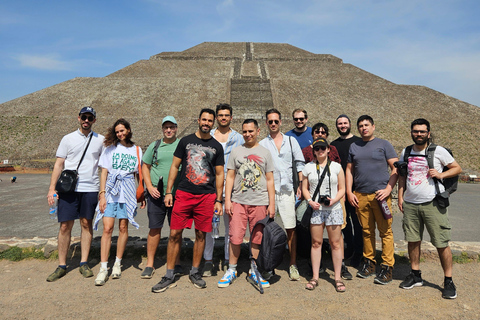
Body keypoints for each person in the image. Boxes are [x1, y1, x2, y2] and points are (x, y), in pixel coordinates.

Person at [152, 108, 224, 293]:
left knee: (201, 235)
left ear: (213, 123)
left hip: (206, 196)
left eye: (210, 121)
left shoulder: (217, 146)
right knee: (175, 233)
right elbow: (175, 166)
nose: (206, 123)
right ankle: (169, 274)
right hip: (184, 193)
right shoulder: (185, 141)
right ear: (198, 120)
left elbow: (219, 174)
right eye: (204, 120)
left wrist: (219, 200)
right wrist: (169, 192)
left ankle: (194, 272)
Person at [397, 118, 461, 299]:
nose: (418, 134)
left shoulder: (437, 151)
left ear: (428, 133)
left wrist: (441, 174)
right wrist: (400, 196)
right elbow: (402, 175)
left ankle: (448, 280)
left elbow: (457, 168)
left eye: (422, 131)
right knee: (413, 240)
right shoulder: (406, 151)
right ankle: (415, 275)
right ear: (411, 132)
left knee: (441, 243)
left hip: (433, 202)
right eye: (415, 131)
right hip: (410, 203)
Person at [46, 106, 104, 282]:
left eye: (90, 118)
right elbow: (59, 164)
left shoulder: (100, 140)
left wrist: (102, 191)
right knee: (65, 226)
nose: (86, 120)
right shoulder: (68, 139)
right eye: (84, 117)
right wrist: (51, 189)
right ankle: (62, 265)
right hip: (69, 189)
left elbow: (104, 168)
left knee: (86, 223)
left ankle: (84, 262)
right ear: (78, 118)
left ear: (94, 120)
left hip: (90, 188)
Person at [218, 119, 275, 288]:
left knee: (257, 238)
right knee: (235, 237)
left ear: (258, 131)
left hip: (259, 202)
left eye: (251, 131)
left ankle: (254, 270)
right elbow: (229, 177)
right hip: (238, 202)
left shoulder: (265, 153)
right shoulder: (236, 152)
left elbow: (270, 180)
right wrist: (227, 200)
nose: (247, 134)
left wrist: (272, 204)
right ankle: (232, 269)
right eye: (244, 131)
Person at [345, 115, 398, 285]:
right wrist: (349, 191)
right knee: (366, 232)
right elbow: (349, 171)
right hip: (360, 195)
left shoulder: (384, 144)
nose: (363, 128)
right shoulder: (354, 146)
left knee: (385, 232)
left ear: (373, 126)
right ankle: (369, 263)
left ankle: (387, 266)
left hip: (380, 196)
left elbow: (396, 168)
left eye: (366, 125)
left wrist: (389, 189)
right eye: (360, 126)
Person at [93, 118, 145, 286]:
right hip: (111, 191)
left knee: (123, 227)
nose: (120, 134)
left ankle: (117, 263)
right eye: (117, 132)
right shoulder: (110, 148)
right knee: (107, 228)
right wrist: (102, 195)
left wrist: (141, 194)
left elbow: (139, 174)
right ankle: (103, 267)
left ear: (128, 130)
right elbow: (104, 172)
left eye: (122, 130)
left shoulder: (137, 150)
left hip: (128, 191)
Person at [259, 108, 305, 281]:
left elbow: (299, 163)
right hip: (268, 191)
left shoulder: (291, 141)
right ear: (266, 123)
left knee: (291, 228)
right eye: (270, 121)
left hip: (287, 190)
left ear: (280, 122)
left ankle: (292, 264)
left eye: (276, 121)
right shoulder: (263, 144)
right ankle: (267, 265)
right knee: (266, 228)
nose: (273, 124)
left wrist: (300, 184)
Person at [301, 122, 351, 280]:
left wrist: (334, 200)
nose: (320, 151)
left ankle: (337, 277)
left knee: (336, 243)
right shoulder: (308, 167)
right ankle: (315, 277)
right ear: (313, 151)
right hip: (316, 209)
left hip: (333, 209)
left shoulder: (336, 167)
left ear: (329, 150)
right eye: (317, 149)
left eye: (323, 148)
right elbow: (304, 188)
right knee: (316, 243)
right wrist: (309, 201)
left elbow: (342, 188)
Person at [203, 103, 244, 277]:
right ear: (216, 117)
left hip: (232, 187)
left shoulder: (239, 138)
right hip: (209, 185)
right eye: (220, 115)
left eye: (226, 115)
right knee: (209, 226)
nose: (223, 118)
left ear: (231, 117)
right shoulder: (208, 135)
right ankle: (208, 260)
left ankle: (229, 260)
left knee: (230, 226)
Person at [140, 116, 182, 279]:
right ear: (162, 129)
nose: (169, 130)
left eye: (172, 127)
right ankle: (150, 264)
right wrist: (149, 187)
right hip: (156, 195)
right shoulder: (155, 146)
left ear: (176, 128)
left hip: (177, 194)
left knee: (176, 231)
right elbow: (145, 166)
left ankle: (176, 262)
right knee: (154, 229)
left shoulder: (182, 145)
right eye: (166, 128)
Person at [331, 114, 363, 268]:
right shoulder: (333, 145)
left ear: (350, 124)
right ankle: (349, 248)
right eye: (339, 123)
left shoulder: (358, 141)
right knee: (344, 224)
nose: (342, 125)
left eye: (345, 123)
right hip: (339, 190)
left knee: (358, 223)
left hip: (356, 189)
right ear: (336, 126)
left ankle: (359, 252)